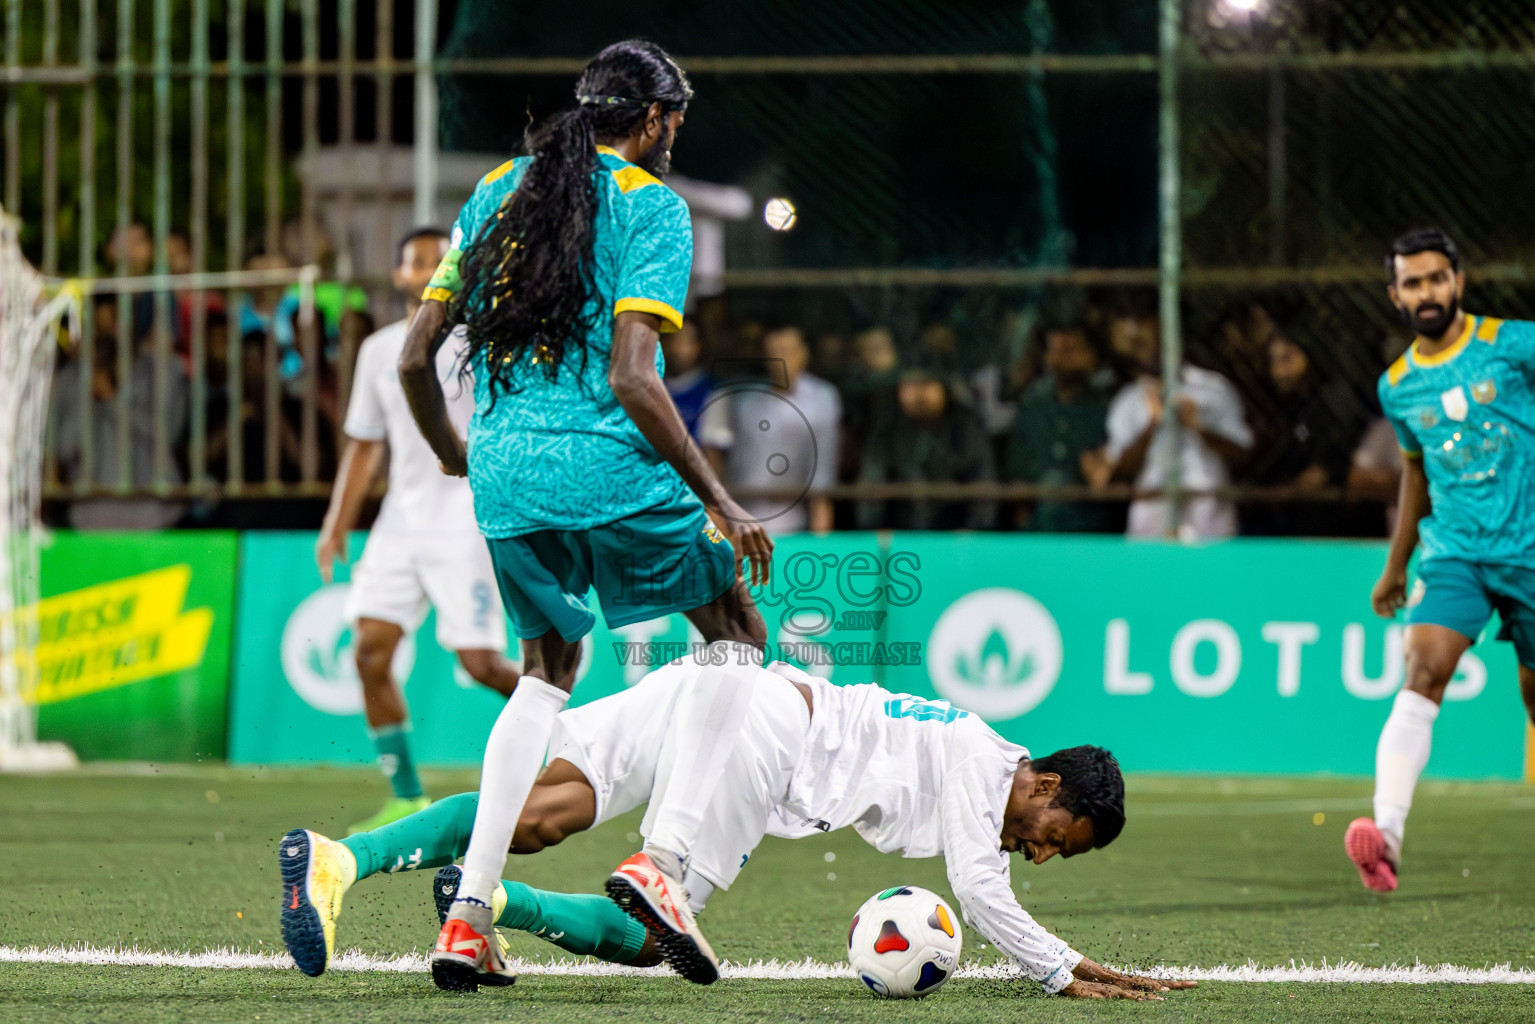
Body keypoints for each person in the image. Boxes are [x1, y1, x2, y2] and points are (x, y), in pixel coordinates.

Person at [397, 40, 773, 990]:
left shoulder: (498, 190)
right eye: (673, 119)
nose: (674, 135)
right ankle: (666, 858)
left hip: (506, 474)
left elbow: (413, 360)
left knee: (546, 675)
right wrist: (721, 500)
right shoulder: (653, 207)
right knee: (734, 633)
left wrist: (457, 455)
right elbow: (633, 378)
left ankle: (468, 917)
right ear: (649, 120)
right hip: (606, 471)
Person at [278, 659, 1196, 1002]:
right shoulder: (981, 763)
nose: (1035, 850)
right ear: (1040, 781)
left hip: (709, 686)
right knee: (653, 933)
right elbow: (980, 890)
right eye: (1051, 833)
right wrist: (1061, 969)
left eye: (1049, 854)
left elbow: (993, 874)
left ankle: (349, 863)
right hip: (767, 732)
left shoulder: (973, 754)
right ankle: (657, 865)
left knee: (535, 816)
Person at [1346, 228, 1535, 892]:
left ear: (1457, 280)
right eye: (1412, 282)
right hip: (1454, 553)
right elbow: (1413, 476)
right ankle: (1385, 839)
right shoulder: (1397, 386)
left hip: (1530, 550)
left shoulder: (1512, 345)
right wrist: (1396, 566)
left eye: (1435, 278)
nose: (1425, 292)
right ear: (1394, 293)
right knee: (1422, 669)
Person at [315, 228, 520, 833]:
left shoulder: (482, 343)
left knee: (482, 664)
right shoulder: (379, 350)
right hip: (399, 526)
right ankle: (405, 792)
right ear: (400, 274)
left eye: (439, 259)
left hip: (465, 523)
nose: (428, 268)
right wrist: (335, 524)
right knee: (368, 651)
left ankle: (580, 743)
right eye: (416, 261)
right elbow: (363, 446)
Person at [1096, 309, 1252, 540]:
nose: (1152, 349)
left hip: (1208, 517)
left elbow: (1244, 453)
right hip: (1151, 519)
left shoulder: (1213, 387)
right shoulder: (1128, 399)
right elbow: (1117, 470)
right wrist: (1151, 425)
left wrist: (1199, 428)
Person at [700, 325, 841, 534]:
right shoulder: (739, 398)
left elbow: (822, 473)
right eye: (775, 351)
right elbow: (713, 453)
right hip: (738, 517)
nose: (781, 359)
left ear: (804, 353)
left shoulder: (823, 399)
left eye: (788, 350)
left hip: (793, 523)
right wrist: (717, 512)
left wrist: (820, 537)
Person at [1008, 318, 1120, 533]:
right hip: (1037, 524)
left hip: (1090, 524)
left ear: (1092, 356)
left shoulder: (1109, 408)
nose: (1061, 358)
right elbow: (1017, 470)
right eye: (1056, 350)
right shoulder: (1032, 406)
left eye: (1070, 350)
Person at [856, 366, 996, 531]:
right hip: (901, 535)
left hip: (955, 534)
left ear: (944, 390)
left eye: (926, 384)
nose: (918, 394)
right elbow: (872, 485)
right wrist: (875, 528)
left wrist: (975, 530)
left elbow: (983, 484)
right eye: (910, 385)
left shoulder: (966, 428)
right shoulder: (887, 432)